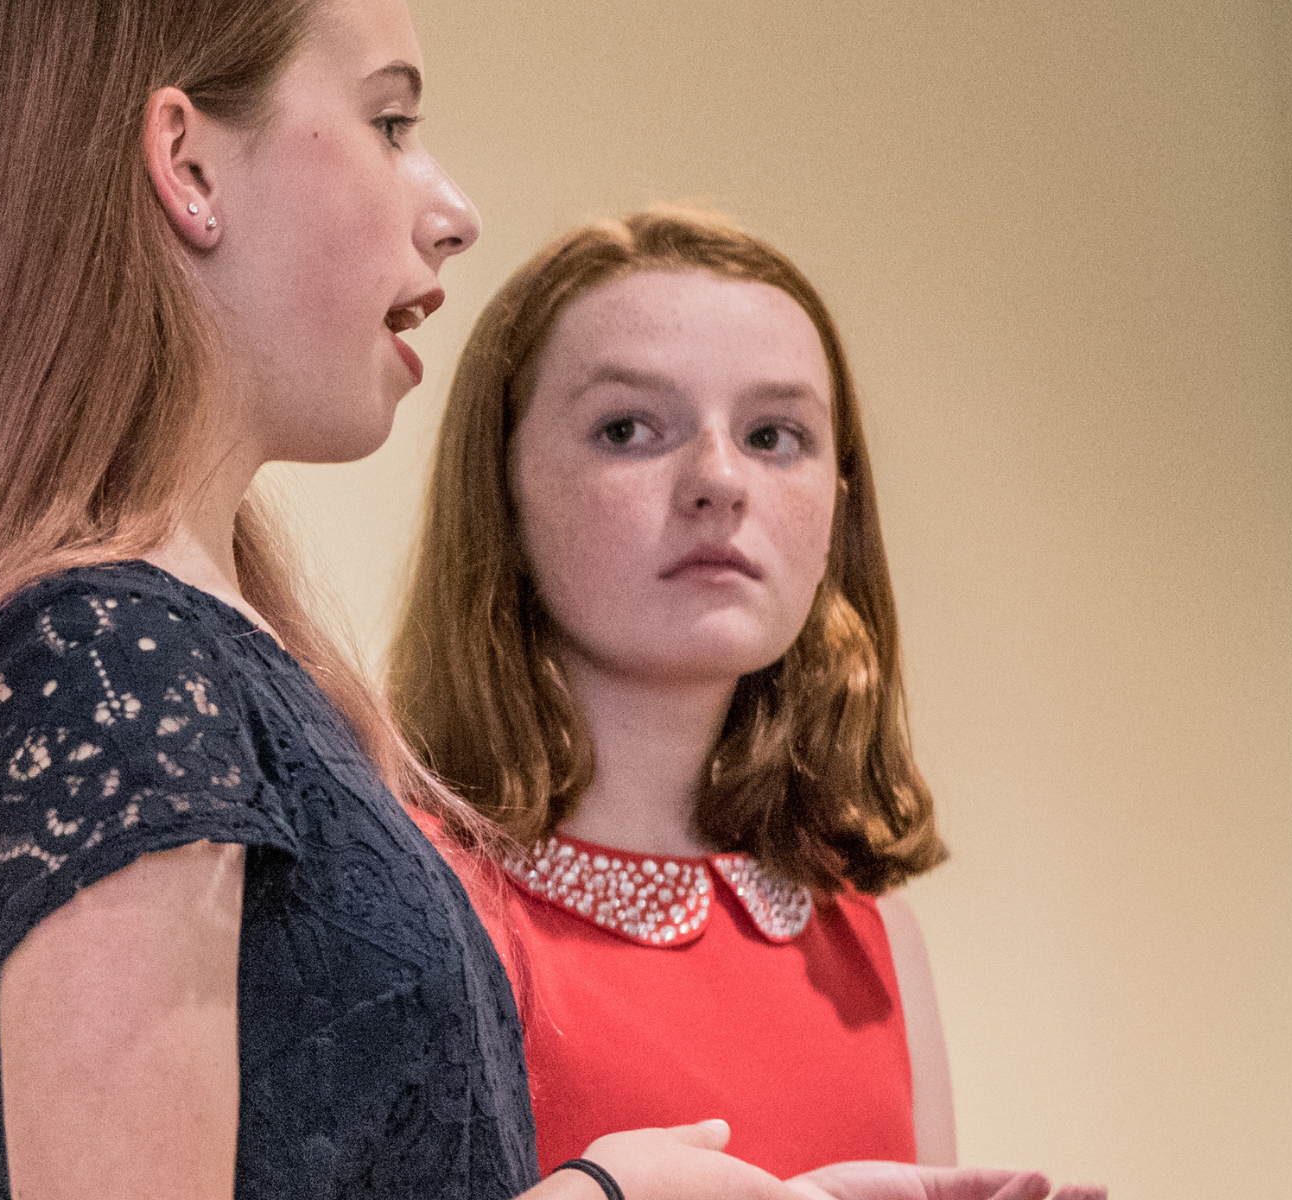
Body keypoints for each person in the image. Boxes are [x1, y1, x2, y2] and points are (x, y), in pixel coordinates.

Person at [0, 4, 889, 1199]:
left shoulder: (173, 653)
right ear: (188, 167)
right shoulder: (114, 667)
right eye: (389, 121)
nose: (452, 212)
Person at [387, 209, 1096, 1197]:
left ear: (838, 509)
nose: (719, 480)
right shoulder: (397, 891)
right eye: (628, 428)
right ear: (499, 486)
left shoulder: (875, 936)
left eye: (774, 435)